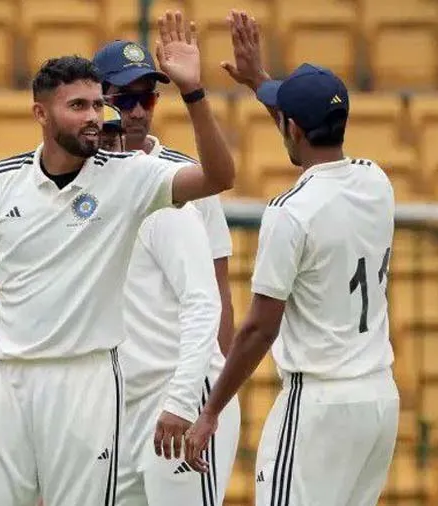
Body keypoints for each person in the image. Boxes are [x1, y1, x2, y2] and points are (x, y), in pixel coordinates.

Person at [0, 10, 236, 505]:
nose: (95, 117)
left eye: (98, 105)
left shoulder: (131, 176)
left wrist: (194, 93)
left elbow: (220, 178)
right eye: (79, 105)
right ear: (41, 114)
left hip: (88, 383)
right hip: (6, 381)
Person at [185, 12, 399, 506]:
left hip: (319, 406)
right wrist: (259, 81)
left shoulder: (290, 212)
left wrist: (211, 410)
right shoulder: (377, 181)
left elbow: (260, 329)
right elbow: (308, 141)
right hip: (378, 400)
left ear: (292, 127)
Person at [92, 38, 236, 357]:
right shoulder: (79, 176)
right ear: (96, 101)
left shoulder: (190, 177)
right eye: (125, 100)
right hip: (102, 375)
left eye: (147, 99)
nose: (138, 112)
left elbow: (219, 292)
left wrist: (220, 384)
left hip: (173, 374)